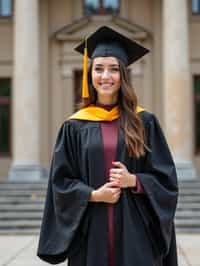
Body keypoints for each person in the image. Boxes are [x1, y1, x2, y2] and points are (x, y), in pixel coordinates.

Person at [37, 26, 178, 266]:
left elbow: (167, 181)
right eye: (99, 69)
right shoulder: (74, 127)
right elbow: (60, 183)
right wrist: (93, 195)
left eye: (113, 69)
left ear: (123, 75)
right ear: (89, 74)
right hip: (91, 231)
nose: (105, 76)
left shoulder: (144, 121)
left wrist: (133, 181)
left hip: (136, 234)